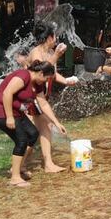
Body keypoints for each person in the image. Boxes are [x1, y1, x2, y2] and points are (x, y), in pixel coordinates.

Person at [0, 60, 67, 187]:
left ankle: (17, 168)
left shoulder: (38, 83)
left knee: (33, 133)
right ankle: (15, 178)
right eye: (46, 78)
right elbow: (7, 93)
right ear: (41, 73)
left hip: (16, 112)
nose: (46, 81)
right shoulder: (23, 76)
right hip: (0, 111)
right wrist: (9, 117)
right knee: (22, 139)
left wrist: (57, 123)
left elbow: (44, 104)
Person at [27, 21, 77, 173]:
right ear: (49, 37)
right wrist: (56, 55)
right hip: (34, 96)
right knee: (36, 131)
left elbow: (52, 75)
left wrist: (67, 81)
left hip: (41, 96)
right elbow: (41, 72)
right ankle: (23, 165)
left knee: (37, 131)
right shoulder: (36, 53)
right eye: (54, 36)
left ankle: (36, 163)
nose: (56, 39)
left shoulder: (48, 53)